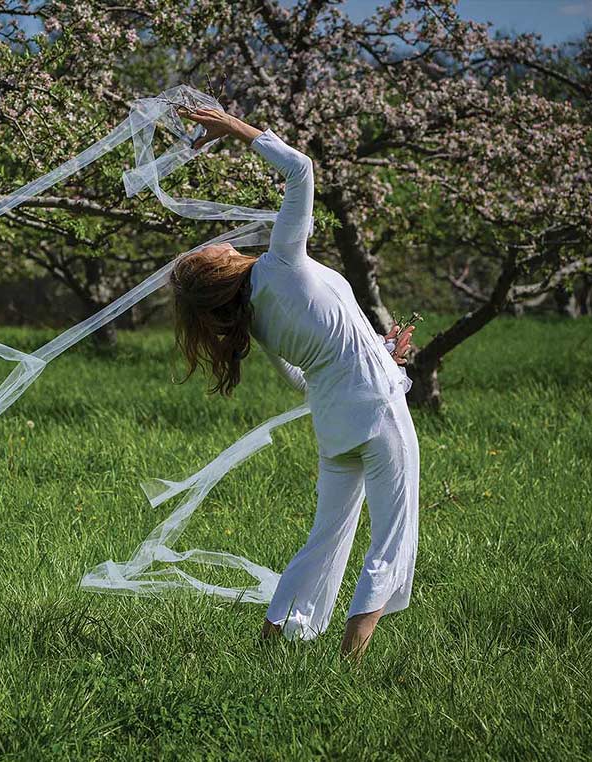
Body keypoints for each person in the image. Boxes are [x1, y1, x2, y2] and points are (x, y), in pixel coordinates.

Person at [170, 107, 419, 660]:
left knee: (325, 539)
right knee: (392, 538)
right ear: (219, 270)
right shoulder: (280, 261)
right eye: (211, 251)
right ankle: (351, 661)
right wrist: (236, 129)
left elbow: (309, 372)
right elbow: (301, 169)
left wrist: (382, 355)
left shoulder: (252, 320)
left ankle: (272, 641)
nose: (219, 242)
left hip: (335, 425)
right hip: (376, 410)